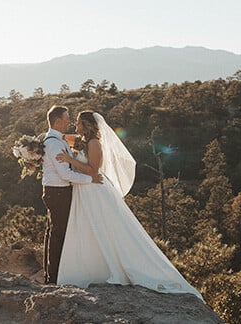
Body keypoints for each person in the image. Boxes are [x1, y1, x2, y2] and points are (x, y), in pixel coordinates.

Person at [55, 111, 203, 300]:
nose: (75, 125)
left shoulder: (94, 143)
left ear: (86, 124)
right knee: (88, 229)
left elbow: (93, 171)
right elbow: (58, 137)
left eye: (78, 122)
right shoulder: (81, 141)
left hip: (95, 191)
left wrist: (70, 160)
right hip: (84, 191)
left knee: (107, 230)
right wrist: (34, 145)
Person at [40, 105, 103, 284]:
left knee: (56, 232)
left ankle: (54, 274)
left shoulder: (59, 139)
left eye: (75, 121)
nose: (71, 122)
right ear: (58, 121)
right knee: (59, 234)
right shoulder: (54, 143)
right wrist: (91, 180)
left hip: (64, 192)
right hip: (59, 192)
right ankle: (53, 277)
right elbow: (66, 174)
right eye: (68, 118)